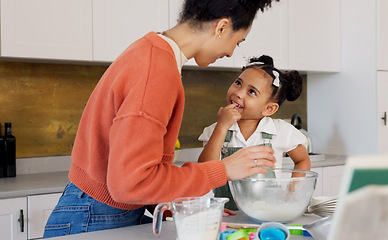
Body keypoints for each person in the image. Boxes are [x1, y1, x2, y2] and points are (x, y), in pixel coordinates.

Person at [43, 0, 279, 238]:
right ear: (221, 28)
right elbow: (131, 183)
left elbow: (129, 171)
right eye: (237, 42)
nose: (230, 52)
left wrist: (179, 205)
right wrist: (222, 169)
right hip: (96, 217)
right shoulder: (157, 72)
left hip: (98, 210)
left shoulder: (151, 51)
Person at [198, 55, 311, 211]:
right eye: (238, 83)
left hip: (267, 214)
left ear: (269, 109)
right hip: (227, 217)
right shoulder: (215, 130)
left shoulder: (280, 131)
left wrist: (291, 194)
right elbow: (204, 170)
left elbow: (302, 160)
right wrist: (222, 127)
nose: (238, 93)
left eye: (251, 92)